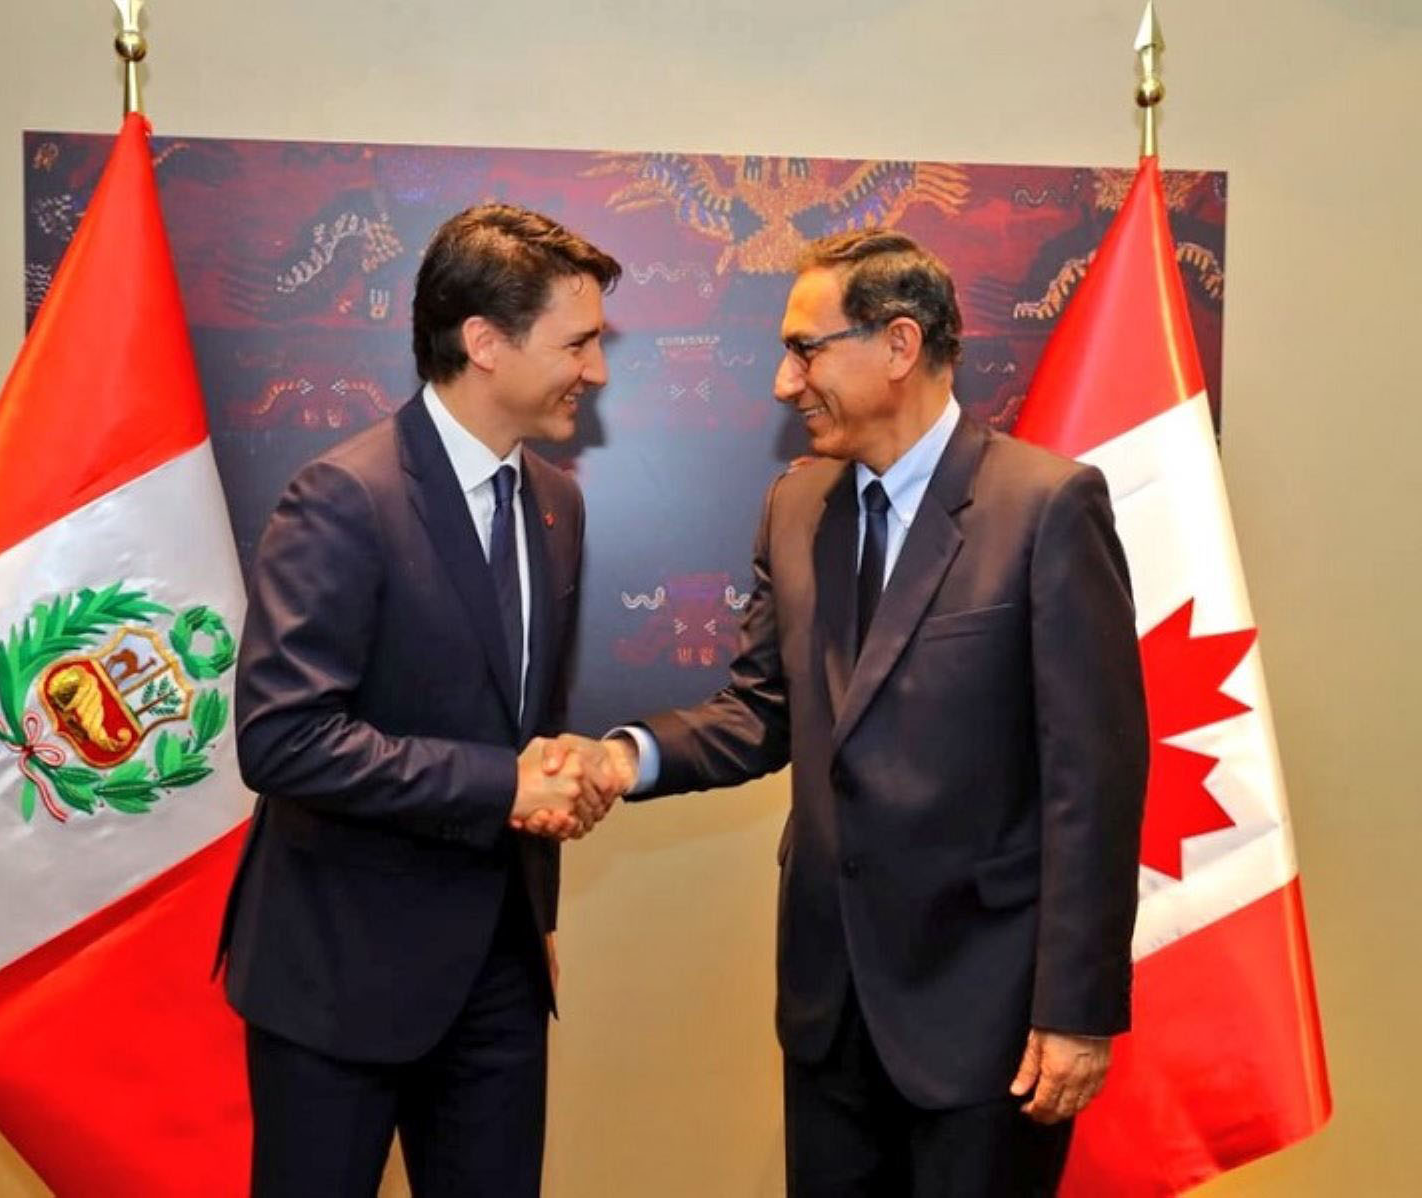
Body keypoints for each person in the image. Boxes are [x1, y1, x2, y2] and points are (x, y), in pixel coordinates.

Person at [549, 230, 1149, 1196]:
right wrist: (624, 758)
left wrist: (1077, 1009)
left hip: (988, 1015)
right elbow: (761, 712)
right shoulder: (796, 507)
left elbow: (1096, 780)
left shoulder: (1045, 508)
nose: (784, 384)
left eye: (804, 349)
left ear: (899, 344)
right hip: (828, 1009)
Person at [215, 204, 622, 1198]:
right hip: (337, 979)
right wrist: (502, 787)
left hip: (499, 977)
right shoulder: (342, 498)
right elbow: (283, 739)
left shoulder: (558, 505)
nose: (597, 371)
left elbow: (528, 722)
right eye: (578, 343)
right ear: (484, 341)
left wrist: (539, 912)